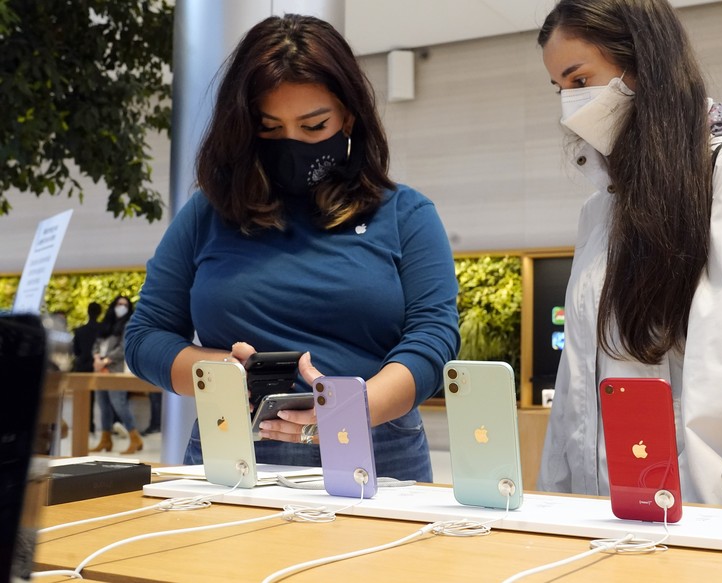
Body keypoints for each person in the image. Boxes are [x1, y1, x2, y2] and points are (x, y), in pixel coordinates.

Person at [124, 14, 459, 482]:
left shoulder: (406, 214)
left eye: (313, 125)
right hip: (231, 444)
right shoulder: (207, 214)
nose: (293, 143)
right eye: (270, 128)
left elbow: (433, 337)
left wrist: (356, 407)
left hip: (376, 446)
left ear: (348, 116)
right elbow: (145, 338)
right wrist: (218, 372)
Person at [536, 0, 722, 507]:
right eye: (558, 89)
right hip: (598, 513)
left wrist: (703, 518)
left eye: (578, 81)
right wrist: (559, 501)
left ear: (642, 65)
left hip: (684, 511)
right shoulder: (601, 209)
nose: (568, 104)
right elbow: (576, 378)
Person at [90, 295, 142, 454]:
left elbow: (123, 349)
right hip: (99, 372)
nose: (121, 307)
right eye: (119, 304)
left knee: (119, 404)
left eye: (125, 304)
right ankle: (105, 440)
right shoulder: (106, 325)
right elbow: (96, 345)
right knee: (103, 405)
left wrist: (105, 361)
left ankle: (135, 438)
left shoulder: (128, 324)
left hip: (115, 370)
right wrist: (97, 357)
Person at [71, 301, 102, 432]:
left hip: (82, 366)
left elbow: (76, 351)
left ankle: (84, 425)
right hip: (99, 366)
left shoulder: (79, 331)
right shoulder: (103, 330)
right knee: (103, 398)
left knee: (82, 398)